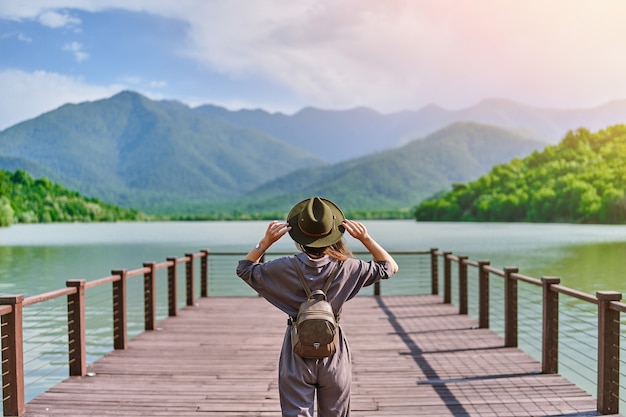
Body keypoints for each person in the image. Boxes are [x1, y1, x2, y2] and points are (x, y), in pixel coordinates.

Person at [236, 196, 399, 416]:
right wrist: (366, 238)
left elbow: (245, 269)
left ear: (299, 236)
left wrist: (264, 243)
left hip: (296, 350)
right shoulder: (348, 267)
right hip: (334, 351)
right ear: (333, 233)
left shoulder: (284, 267)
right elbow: (389, 267)